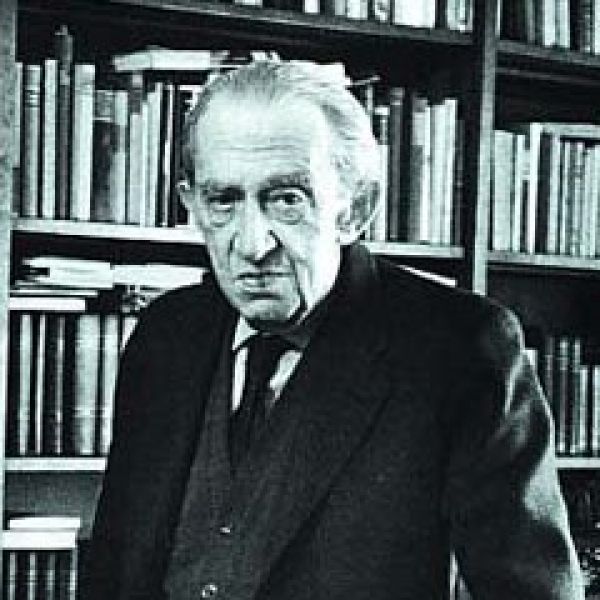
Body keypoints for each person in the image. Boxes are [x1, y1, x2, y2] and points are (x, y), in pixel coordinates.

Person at [83, 60, 584, 600]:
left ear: (355, 209)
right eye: (223, 200)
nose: (251, 245)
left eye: (287, 199)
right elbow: (113, 568)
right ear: (193, 206)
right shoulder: (165, 333)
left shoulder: (460, 348)